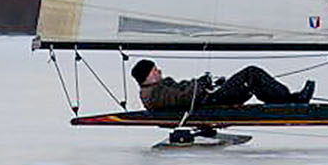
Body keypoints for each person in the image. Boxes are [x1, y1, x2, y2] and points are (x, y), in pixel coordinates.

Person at [132, 59, 315, 110]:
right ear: (148, 76)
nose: (159, 71)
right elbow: (185, 99)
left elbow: (184, 90)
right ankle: (290, 100)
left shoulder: (158, 88)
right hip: (210, 102)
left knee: (250, 80)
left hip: (209, 97)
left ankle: (287, 99)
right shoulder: (155, 94)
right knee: (251, 74)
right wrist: (200, 84)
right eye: (155, 70)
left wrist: (208, 84)